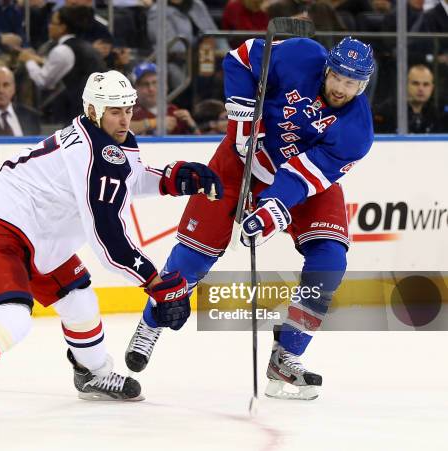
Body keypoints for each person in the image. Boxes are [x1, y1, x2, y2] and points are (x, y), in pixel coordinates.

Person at [0, 70, 223, 420]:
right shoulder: (95, 153)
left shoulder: (109, 141)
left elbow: (128, 178)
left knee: (79, 301)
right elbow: (107, 238)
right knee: (13, 318)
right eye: (115, 111)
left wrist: (172, 179)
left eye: (128, 109)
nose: (125, 119)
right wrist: (155, 282)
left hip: (40, 235)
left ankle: (92, 375)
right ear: (93, 110)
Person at [125, 36, 376, 401]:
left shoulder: (357, 132)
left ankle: (287, 356)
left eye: (351, 83)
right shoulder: (301, 54)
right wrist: (243, 123)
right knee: (195, 255)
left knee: (330, 261)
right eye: (337, 76)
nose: (340, 87)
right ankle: (151, 324)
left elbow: (304, 177)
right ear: (328, 67)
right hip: (236, 161)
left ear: (363, 85)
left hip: (296, 180)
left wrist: (272, 210)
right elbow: (239, 58)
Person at [18, 5, 106, 123]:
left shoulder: (62, 50)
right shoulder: (87, 47)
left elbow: (43, 81)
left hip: (78, 115)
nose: (49, 27)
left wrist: (28, 60)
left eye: (53, 23)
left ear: (62, 27)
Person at [130, 62, 200, 136]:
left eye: (155, 83)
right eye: (145, 84)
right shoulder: (128, 110)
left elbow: (200, 144)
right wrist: (155, 123)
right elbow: (119, 129)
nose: (151, 89)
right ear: (135, 88)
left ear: (165, 86)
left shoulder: (174, 111)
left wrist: (191, 124)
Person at [374, 64, 447, 133]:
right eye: (415, 83)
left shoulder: (437, 115)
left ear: (432, 88)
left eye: (426, 84)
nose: (421, 89)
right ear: (405, 85)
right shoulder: (386, 112)